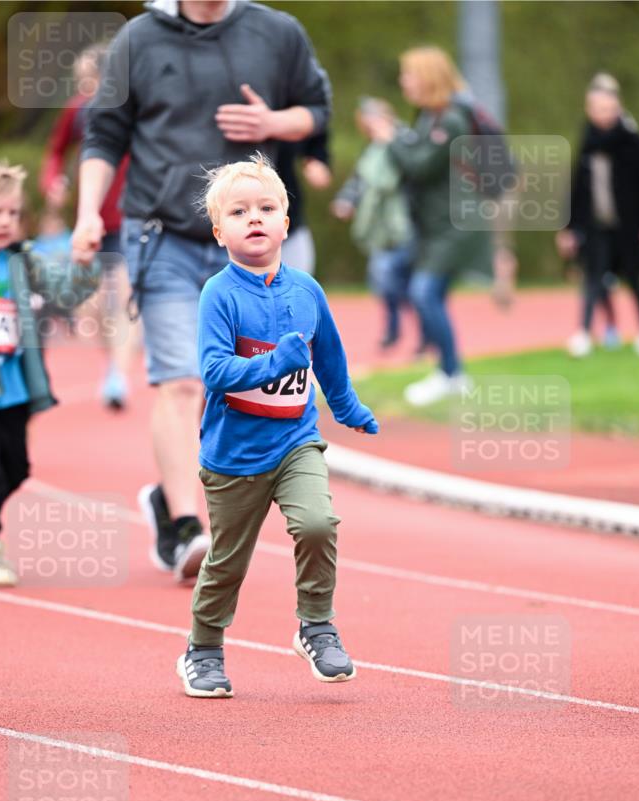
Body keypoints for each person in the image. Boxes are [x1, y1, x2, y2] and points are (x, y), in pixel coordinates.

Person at [71, 0, 331, 584]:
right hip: (163, 236)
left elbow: (317, 113)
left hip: (250, 244)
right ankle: (188, 525)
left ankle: (169, 501)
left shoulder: (277, 31)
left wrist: (275, 125)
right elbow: (104, 133)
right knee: (183, 378)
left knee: (255, 388)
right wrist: (89, 213)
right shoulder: (139, 37)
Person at [175, 155, 378, 698]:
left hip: (296, 441)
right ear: (220, 232)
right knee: (227, 563)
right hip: (234, 455)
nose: (255, 218)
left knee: (318, 523)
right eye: (240, 212)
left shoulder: (306, 290)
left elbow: (329, 359)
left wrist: (349, 408)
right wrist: (274, 363)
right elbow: (215, 372)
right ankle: (204, 648)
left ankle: (316, 625)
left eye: (267, 208)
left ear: (286, 223)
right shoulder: (219, 294)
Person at [0, 162, 100, 586]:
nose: (6, 222)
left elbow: (65, 293)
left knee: (16, 469)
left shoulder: (22, 261)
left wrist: (84, 263)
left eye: (13, 213)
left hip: (13, 389)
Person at [367, 46, 492, 406]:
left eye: (409, 75)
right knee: (425, 293)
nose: (404, 82)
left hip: (455, 225)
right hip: (437, 226)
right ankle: (450, 371)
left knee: (425, 292)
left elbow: (421, 167)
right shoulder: (431, 118)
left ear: (427, 78)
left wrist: (389, 140)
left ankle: (452, 374)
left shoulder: (451, 119)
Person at [41, 43, 138, 408]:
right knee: (91, 308)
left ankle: (119, 378)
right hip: (92, 220)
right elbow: (55, 151)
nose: (86, 90)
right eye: (82, 83)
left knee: (124, 301)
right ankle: (113, 361)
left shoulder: (134, 109)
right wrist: (53, 183)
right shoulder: (78, 111)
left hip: (131, 217)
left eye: (92, 81)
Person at [556, 73, 639, 358]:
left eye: (608, 109)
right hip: (596, 224)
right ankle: (584, 332)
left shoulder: (630, 140)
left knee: (633, 277)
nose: (603, 115)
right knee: (594, 277)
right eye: (597, 109)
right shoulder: (588, 141)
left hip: (628, 224)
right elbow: (578, 186)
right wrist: (568, 226)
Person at [331, 97, 415, 350]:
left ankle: (425, 331)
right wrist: (346, 201)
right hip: (380, 229)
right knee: (382, 279)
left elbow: (416, 171)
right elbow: (359, 181)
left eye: (373, 121)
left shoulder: (407, 140)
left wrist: (391, 142)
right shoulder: (372, 150)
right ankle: (393, 329)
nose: (370, 128)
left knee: (405, 284)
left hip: (407, 224)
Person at [278, 132, 332, 274]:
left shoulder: (287, 112)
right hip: (227, 236)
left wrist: (317, 158)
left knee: (298, 286)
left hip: (291, 222)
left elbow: (317, 124)